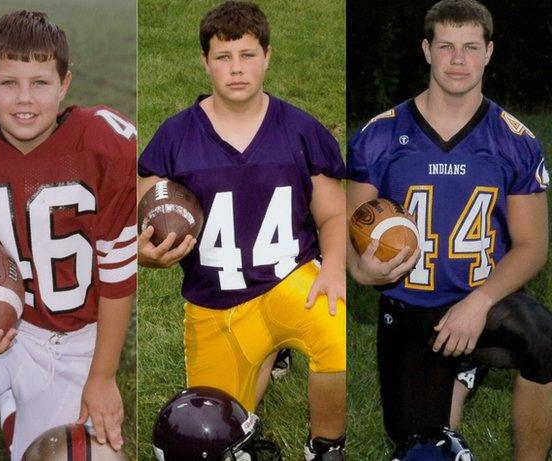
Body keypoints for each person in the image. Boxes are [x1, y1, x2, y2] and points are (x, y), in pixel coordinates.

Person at [138, 1, 347, 459]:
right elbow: (144, 213)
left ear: (268, 56)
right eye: (223, 56)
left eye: (248, 55)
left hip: (287, 279)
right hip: (215, 300)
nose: (237, 68)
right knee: (211, 430)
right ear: (204, 62)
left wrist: (333, 268)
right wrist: (145, 252)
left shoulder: (299, 130)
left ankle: (326, 445)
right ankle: (269, 353)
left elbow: (333, 214)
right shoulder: (174, 137)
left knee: (337, 330)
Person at [346, 0, 552, 458]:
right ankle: (460, 376)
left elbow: (533, 245)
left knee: (545, 343)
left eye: (470, 47)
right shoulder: (380, 135)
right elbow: (351, 232)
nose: (458, 60)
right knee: (419, 445)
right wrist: (361, 272)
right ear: (426, 50)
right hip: (410, 304)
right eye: (446, 46)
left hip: (485, 297)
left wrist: (478, 303)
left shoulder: (514, 141)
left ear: (489, 52)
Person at [0, 10, 137, 460]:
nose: (24, 99)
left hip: (78, 341)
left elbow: (120, 276)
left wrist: (103, 376)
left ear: (64, 84)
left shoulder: (105, 144)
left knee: (93, 457)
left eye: (40, 83)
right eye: (8, 83)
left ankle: (14, 410)